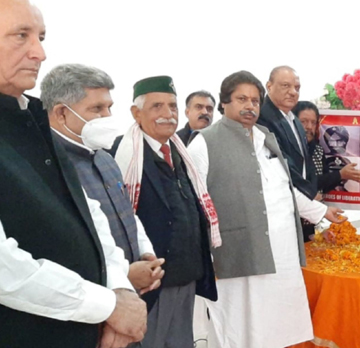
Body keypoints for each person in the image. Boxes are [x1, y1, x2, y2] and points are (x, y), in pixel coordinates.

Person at [0, 1, 147, 347]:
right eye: (21, 36)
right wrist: (107, 306)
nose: (40, 53)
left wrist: (120, 291)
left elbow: (89, 216)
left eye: (41, 37)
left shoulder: (33, 120)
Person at [187, 71, 346, 348]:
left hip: (281, 252)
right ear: (225, 103)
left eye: (255, 100)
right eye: (241, 99)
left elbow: (284, 189)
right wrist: (204, 253)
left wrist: (320, 211)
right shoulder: (205, 142)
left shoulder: (265, 136)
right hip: (238, 251)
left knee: (277, 324)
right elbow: (196, 202)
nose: (250, 106)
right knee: (239, 326)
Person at [112, 76, 218, 347]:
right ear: (136, 113)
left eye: (172, 106)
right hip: (151, 281)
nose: (167, 114)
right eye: (156, 106)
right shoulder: (121, 153)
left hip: (187, 274)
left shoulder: (181, 152)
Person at [42, 64, 164, 296]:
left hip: (129, 293)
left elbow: (127, 212)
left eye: (109, 107)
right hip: (88, 300)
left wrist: (144, 252)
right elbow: (62, 248)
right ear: (61, 113)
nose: (107, 116)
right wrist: (123, 275)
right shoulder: (48, 166)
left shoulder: (104, 158)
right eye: (97, 108)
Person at [257, 66, 319, 241]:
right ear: (269, 86)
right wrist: (309, 195)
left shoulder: (295, 121)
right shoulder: (262, 118)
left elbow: (307, 162)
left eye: (297, 88)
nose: (293, 92)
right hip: (280, 205)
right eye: (286, 86)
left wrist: (311, 190)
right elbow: (283, 164)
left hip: (300, 204)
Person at [293, 101, 360, 196]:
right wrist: (339, 175)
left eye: (313, 122)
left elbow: (324, 186)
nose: (309, 127)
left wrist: (344, 176)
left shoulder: (318, 150)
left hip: (320, 208)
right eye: (304, 122)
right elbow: (302, 182)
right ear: (292, 122)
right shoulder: (288, 149)